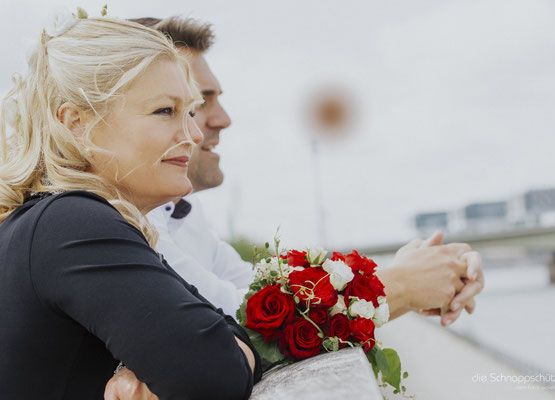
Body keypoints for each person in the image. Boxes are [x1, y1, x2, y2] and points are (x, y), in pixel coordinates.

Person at [105, 16, 484, 400]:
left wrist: (411, 279)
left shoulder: (184, 213)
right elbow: (229, 321)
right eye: (191, 104)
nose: (220, 120)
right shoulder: (116, 222)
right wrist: (399, 285)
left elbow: (253, 291)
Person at [0, 14, 260, 400]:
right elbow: (214, 371)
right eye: (164, 111)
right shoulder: (73, 223)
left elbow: (216, 330)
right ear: (76, 124)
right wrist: (235, 349)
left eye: (189, 112)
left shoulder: (55, 221)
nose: (192, 133)